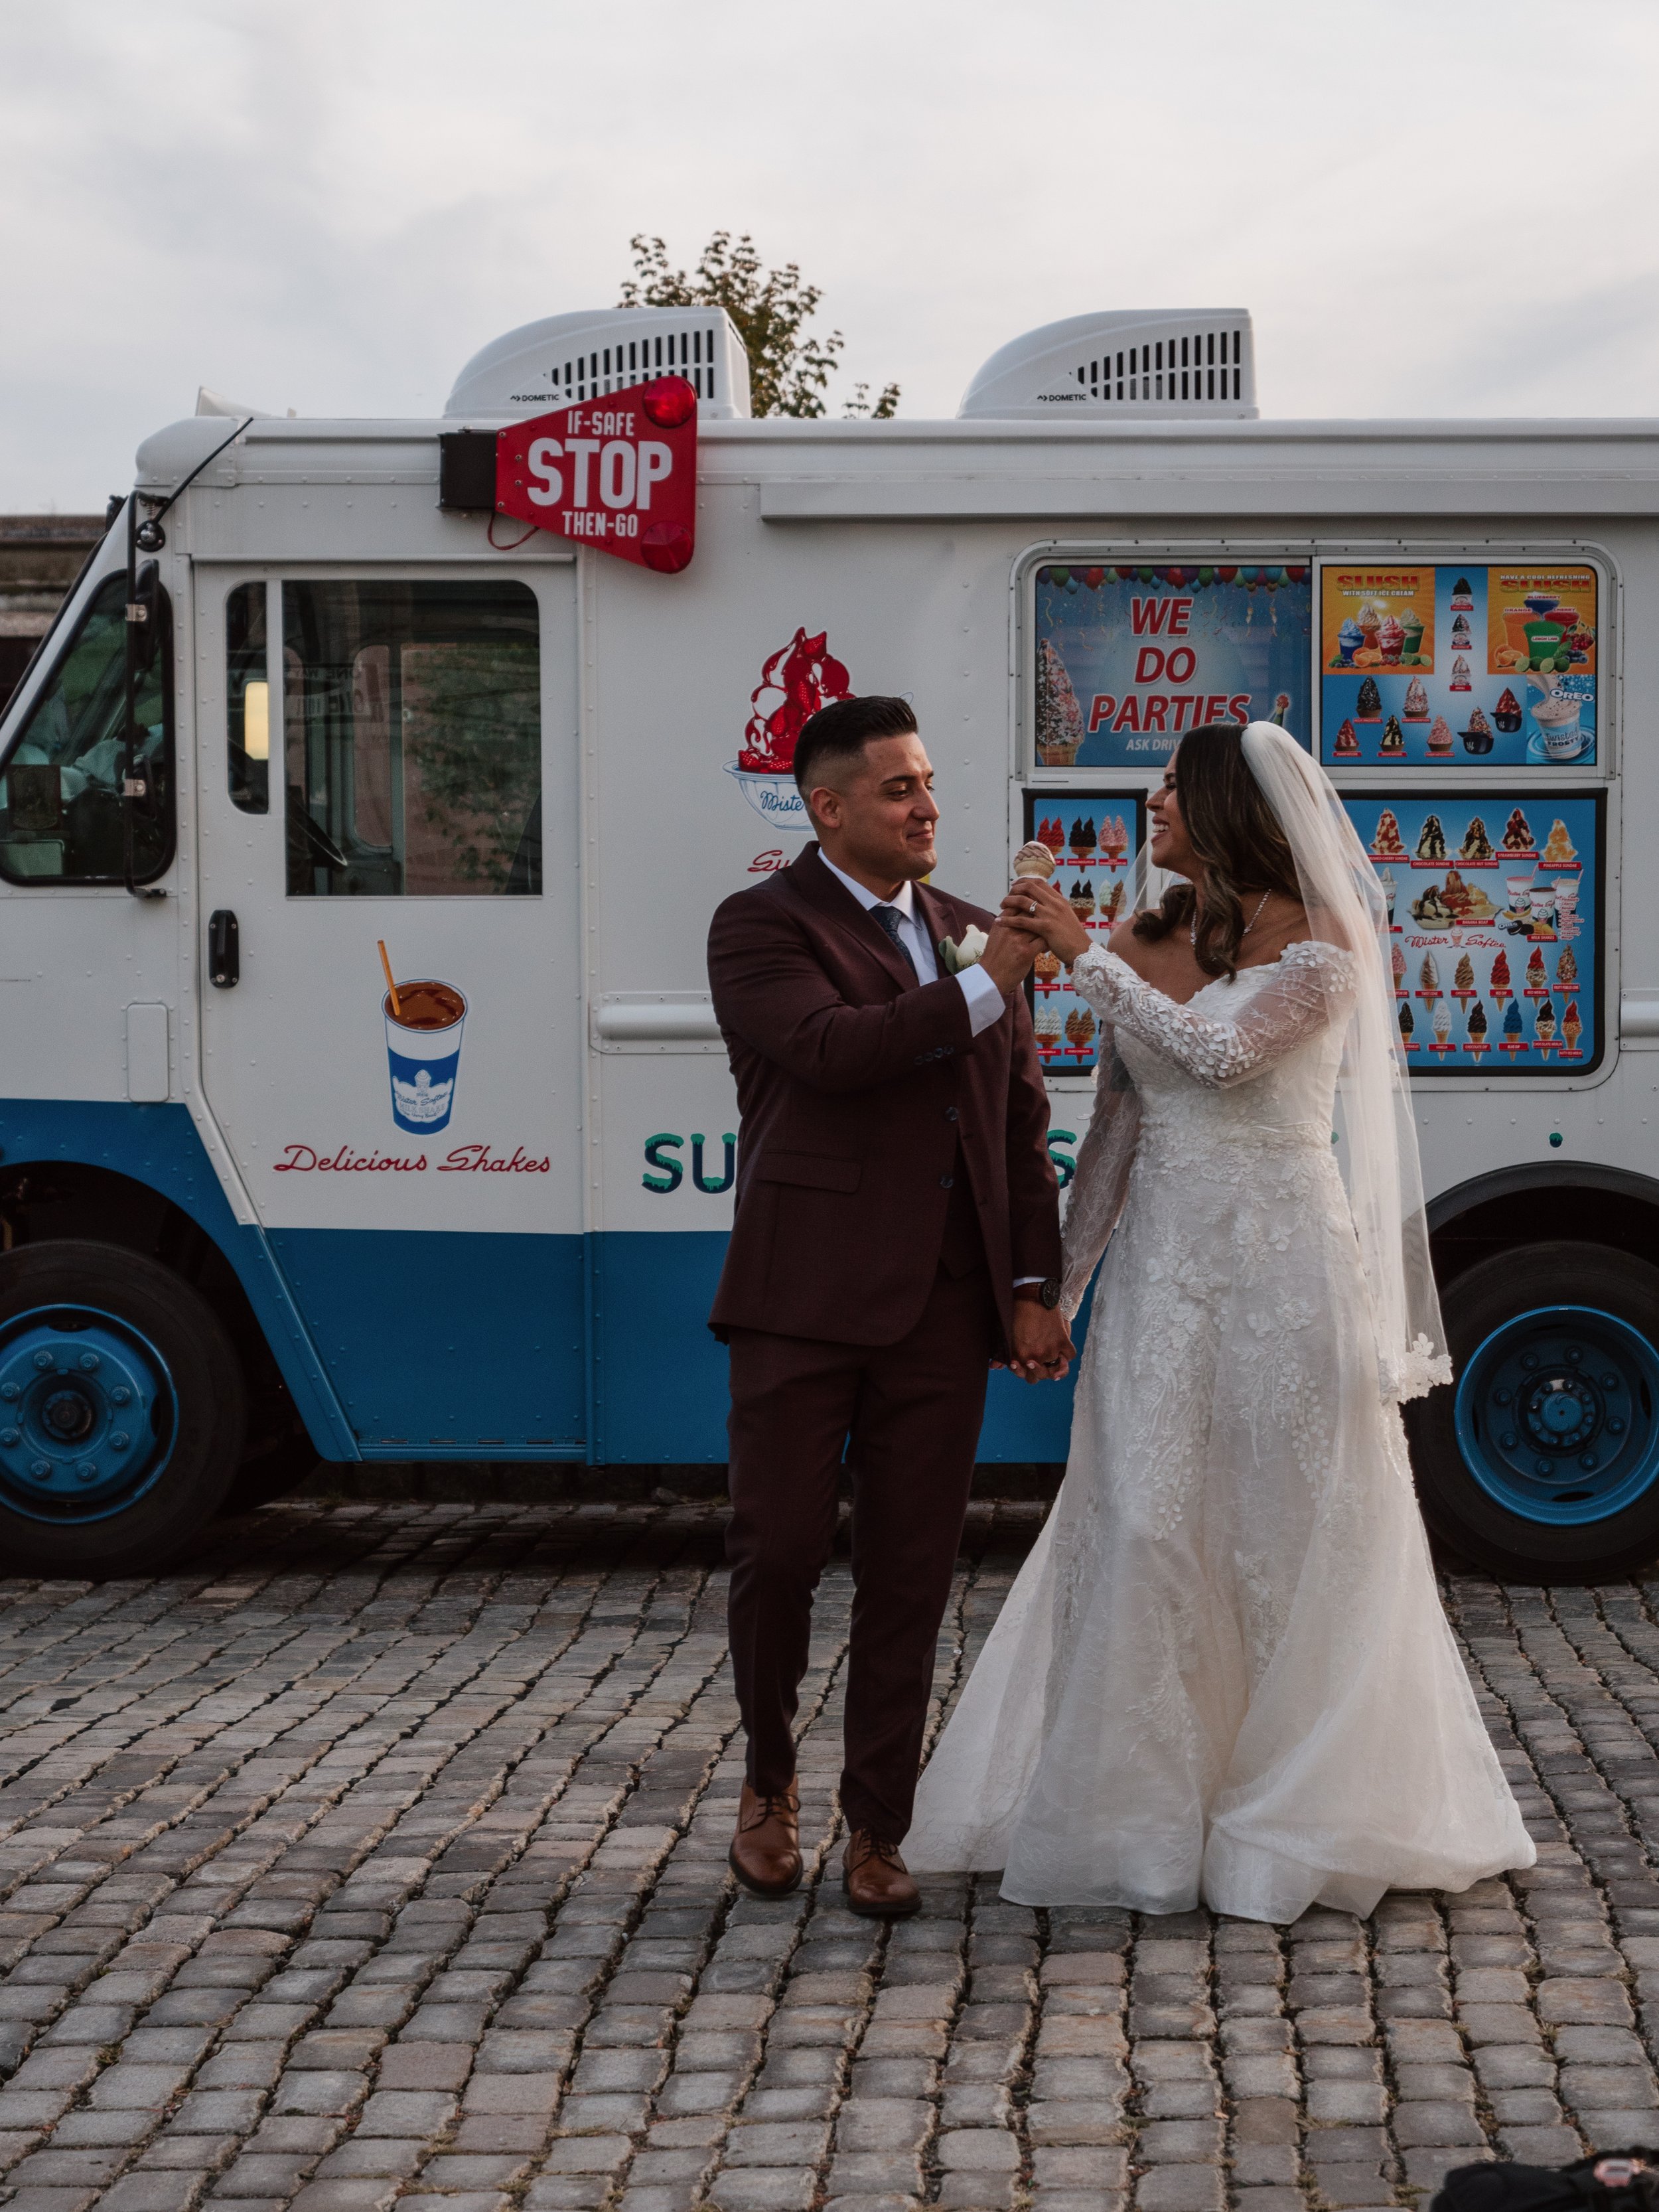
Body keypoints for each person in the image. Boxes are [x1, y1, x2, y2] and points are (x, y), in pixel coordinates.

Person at [906, 721, 1536, 1920]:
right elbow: (1118, 1133)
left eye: (1170, 791)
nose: (1151, 803)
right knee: (1138, 1520)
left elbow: (1224, 1058)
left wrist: (1090, 958)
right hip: (1161, 1273)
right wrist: (1056, 1289)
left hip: (1283, 1267)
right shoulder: (1157, 939)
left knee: (1286, 1525)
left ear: (1229, 811)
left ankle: (1296, 1797)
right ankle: (1132, 1815)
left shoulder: (1327, 945)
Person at [706, 694, 1071, 1917]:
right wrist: (989, 984)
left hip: (943, 1308)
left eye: (929, 782)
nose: (927, 807)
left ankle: (879, 1828)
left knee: (911, 1573)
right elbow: (833, 1051)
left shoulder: (974, 930)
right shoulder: (760, 925)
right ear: (827, 808)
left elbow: (1020, 1122)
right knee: (779, 1553)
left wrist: (1030, 1284)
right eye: (899, 788)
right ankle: (767, 1788)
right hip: (801, 1297)